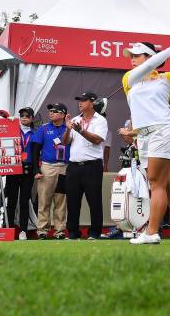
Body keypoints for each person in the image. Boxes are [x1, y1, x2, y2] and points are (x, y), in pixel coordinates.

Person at [120, 41, 170, 245]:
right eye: (131, 56)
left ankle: (152, 232)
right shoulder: (129, 79)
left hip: (163, 131)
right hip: (143, 136)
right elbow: (147, 67)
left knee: (156, 182)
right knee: (167, 184)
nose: (132, 59)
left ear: (149, 56)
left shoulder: (166, 78)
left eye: (137, 55)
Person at [62, 92, 108, 240]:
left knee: (94, 200)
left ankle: (94, 233)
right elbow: (65, 142)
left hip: (92, 166)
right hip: (74, 166)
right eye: (79, 100)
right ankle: (73, 233)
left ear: (92, 103)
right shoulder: (75, 119)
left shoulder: (100, 120)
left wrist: (80, 130)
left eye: (83, 100)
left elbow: (97, 140)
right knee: (72, 201)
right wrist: (68, 129)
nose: (80, 103)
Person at [32, 103, 69, 240]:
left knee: (61, 201)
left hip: (64, 167)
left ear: (63, 114)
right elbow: (35, 149)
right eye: (50, 111)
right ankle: (42, 230)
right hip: (47, 167)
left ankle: (59, 231)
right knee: (44, 200)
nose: (51, 113)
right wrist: (36, 169)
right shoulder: (44, 128)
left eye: (55, 111)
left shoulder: (69, 128)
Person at [5, 107, 36, 240]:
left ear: (32, 118)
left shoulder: (35, 133)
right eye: (21, 115)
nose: (24, 118)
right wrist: (8, 122)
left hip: (28, 170)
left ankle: (23, 230)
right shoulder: (13, 129)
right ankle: (9, 229)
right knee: (11, 201)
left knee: (24, 201)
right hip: (13, 168)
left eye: (27, 116)